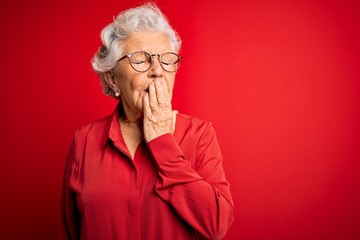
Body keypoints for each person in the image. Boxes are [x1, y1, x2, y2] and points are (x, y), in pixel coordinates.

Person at [58, 3, 234, 240]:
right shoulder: (85, 140)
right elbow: (69, 229)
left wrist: (163, 142)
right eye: (140, 60)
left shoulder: (199, 134)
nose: (157, 71)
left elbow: (216, 225)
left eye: (166, 60)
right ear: (112, 79)